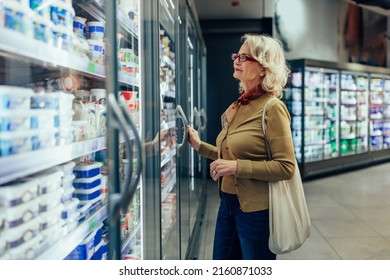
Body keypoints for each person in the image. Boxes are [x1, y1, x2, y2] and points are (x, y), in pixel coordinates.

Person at [187, 34, 296, 260]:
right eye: (236, 55)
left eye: (245, 57)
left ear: (264, 68)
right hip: (227, 204)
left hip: (256, 211)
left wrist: (237, 167)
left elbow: (286, 167)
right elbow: (229, 155)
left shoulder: (272, 108)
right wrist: (199, 146)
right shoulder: (238, 105)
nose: (237, 60)